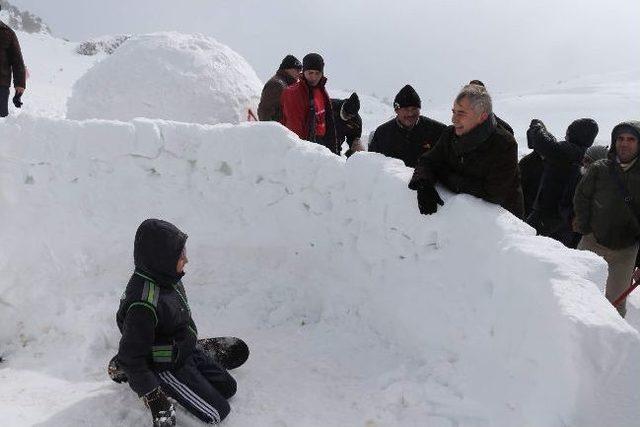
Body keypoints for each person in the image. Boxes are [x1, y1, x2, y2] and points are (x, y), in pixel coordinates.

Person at [116, 219, 236, 426]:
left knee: (228, 388)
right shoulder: (143, 304)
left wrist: (186, 343)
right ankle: (137, 371)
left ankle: (186, 350)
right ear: (161, 258)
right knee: (218, 412)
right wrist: (154, 397)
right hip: (164, 365)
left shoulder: (169, 278)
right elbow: (132, 357)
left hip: (180, 349)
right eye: (180, 255)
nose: (186, 259)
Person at [408, 84, 524, 217]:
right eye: (454, 112)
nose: (453, 119)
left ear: (482, 117)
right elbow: (428, 160)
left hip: (501, 228)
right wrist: (424, 183)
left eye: (461, 113)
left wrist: (445, 175)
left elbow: (493, 193)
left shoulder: (504, 144)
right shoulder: (450, 134)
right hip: (463, 221)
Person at [574, 121, 640, 317]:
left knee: (615, 307)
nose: (624, 143)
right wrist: (586, 228)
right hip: (592, 243)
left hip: (625, 252)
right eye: (620, 138)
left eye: (631, 139)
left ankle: (608, 344)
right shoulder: (600, 169)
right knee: (576, 295)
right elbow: (581, 197)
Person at [525, 118, 598, 247]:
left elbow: (543, 142)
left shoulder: (566, 151)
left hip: (547, 212)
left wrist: (537, 126)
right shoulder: (584, 155)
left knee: (528, 244)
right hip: (565, 216)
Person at [368, 85, 446, 167]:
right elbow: (372, 166)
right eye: (406, 109)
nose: (410, 114)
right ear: (396, 110)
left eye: (414, 109)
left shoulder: (438, 131)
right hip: (392, 179)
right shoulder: (382, 134)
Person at [281, 53, 338, 154]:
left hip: (321, 144)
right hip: (306, 147)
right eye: (310, 73)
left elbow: (328, 121)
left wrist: (334, 150)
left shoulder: (321, 90)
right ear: (304, 72)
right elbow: (294, 127)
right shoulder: (294, 93)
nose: (314, 77)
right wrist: (302, 153)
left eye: (317, 73)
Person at [257, 54, 301, 122]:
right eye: (297, 70)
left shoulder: (286, 85)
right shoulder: (276, 85)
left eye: (300, 71)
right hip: (275, 131)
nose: (299, 74)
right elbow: (265, 111)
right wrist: (271, 130)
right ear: (287, 69)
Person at [0, 7, 26, 117]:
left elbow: (17, 61)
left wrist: (19, 85)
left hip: (1, 85)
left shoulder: (7, 33)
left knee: (1, 122)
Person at [331, 92, 364, 157]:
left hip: (335, 149)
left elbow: (353, 138)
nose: (349, 117)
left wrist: (355, 144)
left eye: (351, 116)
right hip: (318, 145)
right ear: (343, 107)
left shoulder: (356, 122)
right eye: (347, 114)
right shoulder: (331, 106)